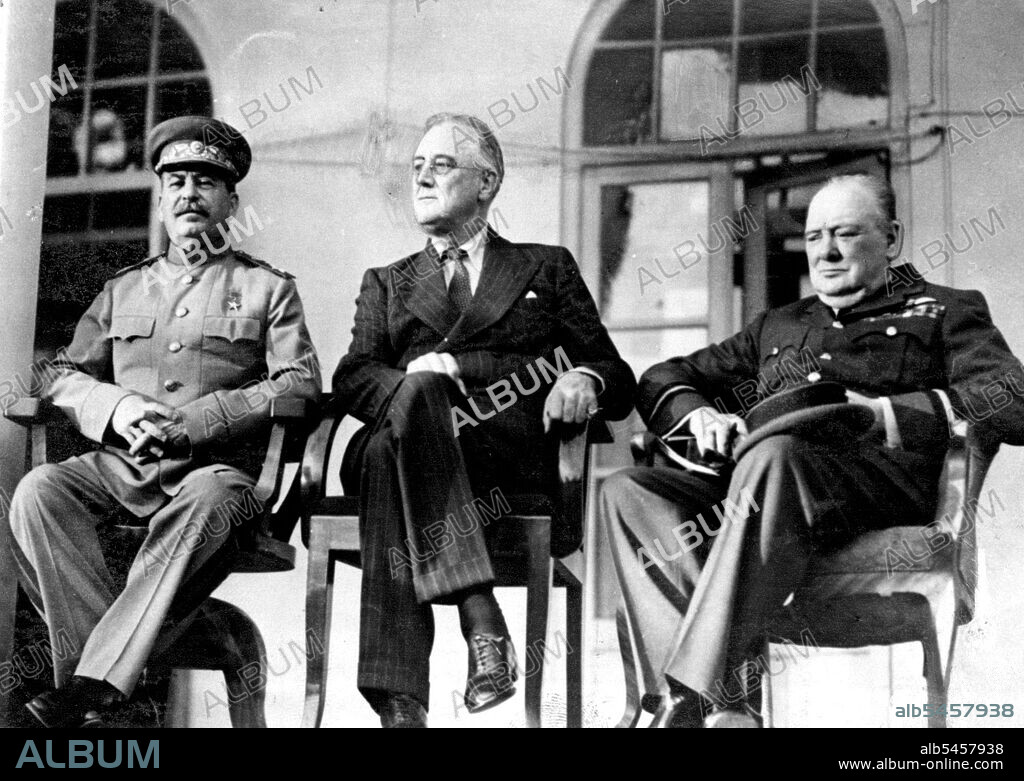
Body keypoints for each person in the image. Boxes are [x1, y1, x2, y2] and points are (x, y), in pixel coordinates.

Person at [601, 174, 1024, 727]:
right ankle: (727, 709)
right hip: (768, 501)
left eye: (845, 234)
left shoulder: (945, 309)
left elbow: (1011, 400)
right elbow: (666, 376)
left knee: (774, 456)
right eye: (815, 235)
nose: (824, 251)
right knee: (629, 490)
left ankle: (687, 701)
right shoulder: (781, 323)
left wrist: (887, 413)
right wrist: (698, 413)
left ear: (890, 238)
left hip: (879, 487)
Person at [7, 116, 321, 728]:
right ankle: (108, 697)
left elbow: (298, 383)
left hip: (215, 478)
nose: (188, 194)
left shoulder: (266, 290)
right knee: (38, 490)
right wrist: (118, 408)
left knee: (205, 497)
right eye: (175, 180)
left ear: (231, 200)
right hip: (122, 467)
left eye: (206, 182)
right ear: (160, 195)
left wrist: (195, 423)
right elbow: (59, 373)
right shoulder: (124, 290)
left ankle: (90, 687)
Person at [333, 113, 635, 727]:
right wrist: (424, 384)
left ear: (488, 182)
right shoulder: (388, 282)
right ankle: (481, 619)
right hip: (408, 440)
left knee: (390, 453)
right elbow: (354, 377)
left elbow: (615, 371)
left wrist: (584, 377)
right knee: (409, 407)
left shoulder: (544, 266)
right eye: (415, 167)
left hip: (503, 449)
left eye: (440, 166)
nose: (421, 179)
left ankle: (401, 704)